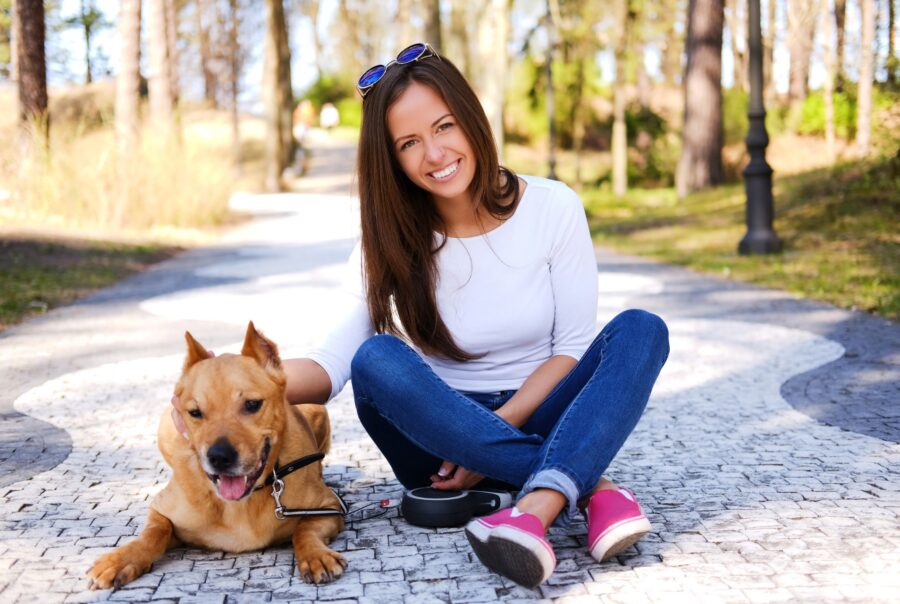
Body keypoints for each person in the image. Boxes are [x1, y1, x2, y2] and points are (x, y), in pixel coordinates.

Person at [172, 43, 669, 589]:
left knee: (642, 330)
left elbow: (571, 349)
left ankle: (537, 507)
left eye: (444, 127)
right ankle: (590, 485)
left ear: (471, 119)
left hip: (541, 407)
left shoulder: (553, 207)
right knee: (376, 361)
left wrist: (492, 435)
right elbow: (332, 363)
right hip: (436, 437)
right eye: (409, 143)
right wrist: (217, 396)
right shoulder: (386, 238)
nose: (434, 154)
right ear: (392, 159)